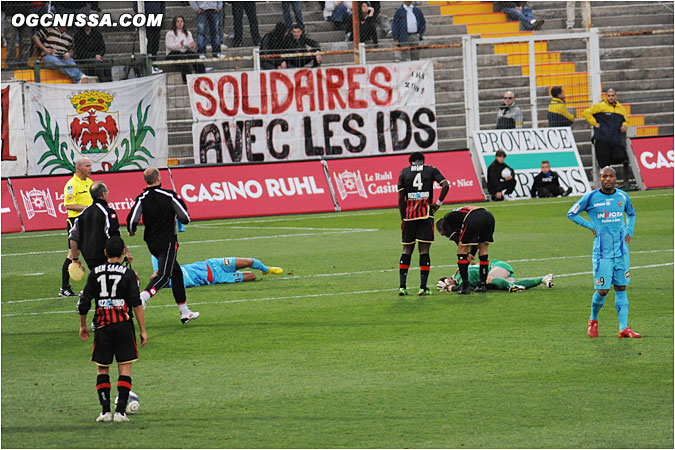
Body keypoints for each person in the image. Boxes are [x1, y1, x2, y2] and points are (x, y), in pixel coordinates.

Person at [77, 236, 148, 423]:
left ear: (105, 252)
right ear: (124, 252)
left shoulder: (95, 273)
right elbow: (136, 303)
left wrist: (83, 325)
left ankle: (105, 411)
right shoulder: (128, 274)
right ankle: (121, 413)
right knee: (125, 367)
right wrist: (143, 329)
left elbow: (83, 302)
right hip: (123, 326)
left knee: (102, 368)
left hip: (102, 327)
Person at [567, 166, 640, 338]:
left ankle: (623, 328)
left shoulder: (623, 196)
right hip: (602, 253)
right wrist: (590, 226)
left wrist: (629, 231)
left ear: (616, 179)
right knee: (603, 290)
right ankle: (593, 319)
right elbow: (571, 213)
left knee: (621, 287)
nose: (607, 179)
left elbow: (631, 213)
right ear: (599, 179)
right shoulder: (591, 197)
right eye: (604, 176)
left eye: (611, 176)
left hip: (621, 252)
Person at [126, 168, 199, 324]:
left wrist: (132, 231)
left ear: (146, 180)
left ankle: (184, 312)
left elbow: (132, 220)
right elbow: (185, 217)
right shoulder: (169, 195)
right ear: (158, 177)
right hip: (168, 241)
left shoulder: (142, 198)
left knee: (176, 273)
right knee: (165, 276)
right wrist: (179, 212)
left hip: (151, 243)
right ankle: (143, 296)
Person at [397, 152, 450, 296]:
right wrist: (438, 203)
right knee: (424, 251)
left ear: (411, 162)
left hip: (409, 217)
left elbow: (401, 198)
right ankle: (422, 288)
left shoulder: (404, 172)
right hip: (425, 215)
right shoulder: (430, 170)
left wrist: (403, 218)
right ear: (422, 161)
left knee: (406, 250)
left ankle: (402, 287)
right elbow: (446, 185)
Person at [68, 182, 133, 271]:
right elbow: (113, 235)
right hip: (105, 256)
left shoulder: (82, 214)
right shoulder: (107, 212)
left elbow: (73, 238)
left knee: (97, 281)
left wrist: (75, 258)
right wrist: (126, 251)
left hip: (89, 258)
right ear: (103, 194)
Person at [436, 206, 495, 294]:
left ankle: (465, 287)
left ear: (442, 229)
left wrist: (466, 255)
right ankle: (483, 285)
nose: (447, 236)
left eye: (443, 234)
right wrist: (471, 254)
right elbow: (473, 242)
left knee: (461, 252)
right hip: (488, 216)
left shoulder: (446, 222)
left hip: (472, 217)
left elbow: (458, 240)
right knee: (483, 250)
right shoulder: (457, 219)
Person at [583, 88, 631, 186]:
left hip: (615, 140)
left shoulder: (621, 108)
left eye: (612, 95)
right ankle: (604, 186)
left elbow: (626, 120)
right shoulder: (600, 106)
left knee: (624, 158)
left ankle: (626, 182)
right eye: (609, 96)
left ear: (615, 96)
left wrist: (624, 125)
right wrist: (595, 123)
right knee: (604, 164)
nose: (611, 97)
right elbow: (586, 112)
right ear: (606, 97)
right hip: (602, 140)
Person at [60, 158, 94, 297]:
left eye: (90, 165)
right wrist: (87, 209)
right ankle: (64, 288)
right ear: (78, 168)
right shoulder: (71, 184)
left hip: (88, 221)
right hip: (75, 221)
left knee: (90, 250)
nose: (90, 168)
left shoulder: (90, 183)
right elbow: (68, 205)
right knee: (73, 253)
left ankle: (91, 286)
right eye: (87, 166)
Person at [151, 255, 283, 288]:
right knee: (252, 276)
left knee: (249, 262)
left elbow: (156, 254)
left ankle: (267, 269)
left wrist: (157, 269)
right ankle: (264, 271)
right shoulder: (173, 283)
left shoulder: (172, 268)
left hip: (214, 263)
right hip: (219, 277)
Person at [437, 259, 554, 293]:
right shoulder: (460, 278)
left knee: (489, 279)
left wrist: (450, 288)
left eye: (446, 282)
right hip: (498, 272)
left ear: (449, 278)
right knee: (512, 284)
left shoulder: (458, 275)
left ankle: (511, 287)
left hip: (496, 266)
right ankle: (543, 279)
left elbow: (462, 285)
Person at [165, 16, 205, 82]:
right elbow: (169, 46)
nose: (180, 23)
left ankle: (202, 77)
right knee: (183, 59)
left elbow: (189, 44)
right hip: (173, 53)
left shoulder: (188, 33)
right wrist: (180, 44)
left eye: (181, 21)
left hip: (185, 51)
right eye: (178, 21)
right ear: (174, 23)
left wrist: (191, 45)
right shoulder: (170, 33)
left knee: (195, 56)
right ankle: (187, 80)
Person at [132, 1, 165, 74]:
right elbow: (135, 5)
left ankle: (154, 64)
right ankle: (148, 66)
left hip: (157, 19)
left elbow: (162, 4)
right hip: (147, 20)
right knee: (148, 42)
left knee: (155, 43)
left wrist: (161, 15)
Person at [2, 1, 33, 67]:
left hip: (25, 13)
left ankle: (23, 62)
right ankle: (11, 62)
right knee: (11, 40)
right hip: (11, 14)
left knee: (26, 40)